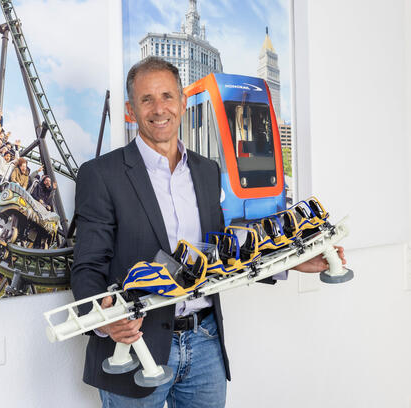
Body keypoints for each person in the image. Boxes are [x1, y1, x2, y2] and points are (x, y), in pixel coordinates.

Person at [70, 57, 345, 408]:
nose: (159, 109)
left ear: (182, 102)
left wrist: (293, 261)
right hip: (135, 346)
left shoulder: (206, 171)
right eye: (146, 99)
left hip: (204, 341)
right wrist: (105, 322)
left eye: (167, 96)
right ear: (130, 109)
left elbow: (221, 251)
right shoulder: (101, 174)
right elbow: (87, 266)